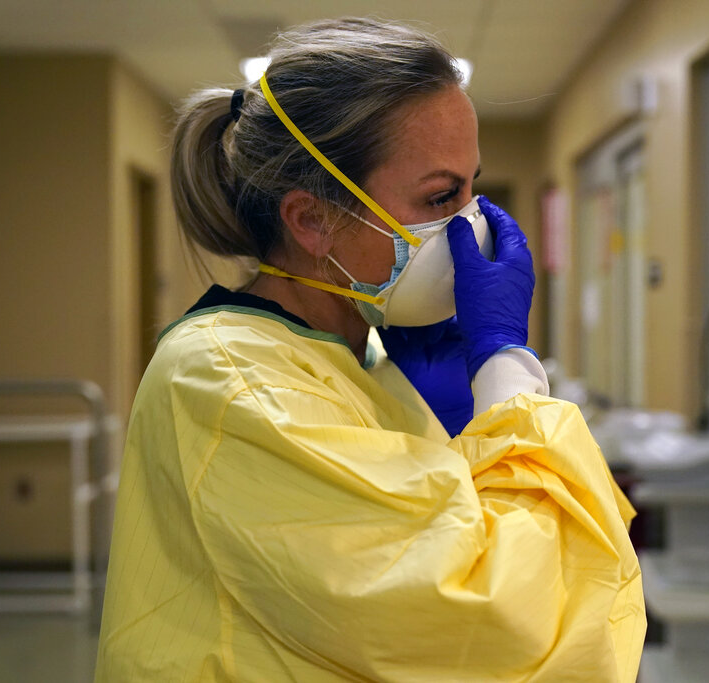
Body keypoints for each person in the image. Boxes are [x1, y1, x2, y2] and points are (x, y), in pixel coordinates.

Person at [95, 17, 645, 682]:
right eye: (442, 196)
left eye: (475, 186)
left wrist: (453, 419)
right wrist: (504, 367)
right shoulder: (230, 377)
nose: (473, 224)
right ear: (311, 219)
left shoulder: (357, 357)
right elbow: (502, 621)